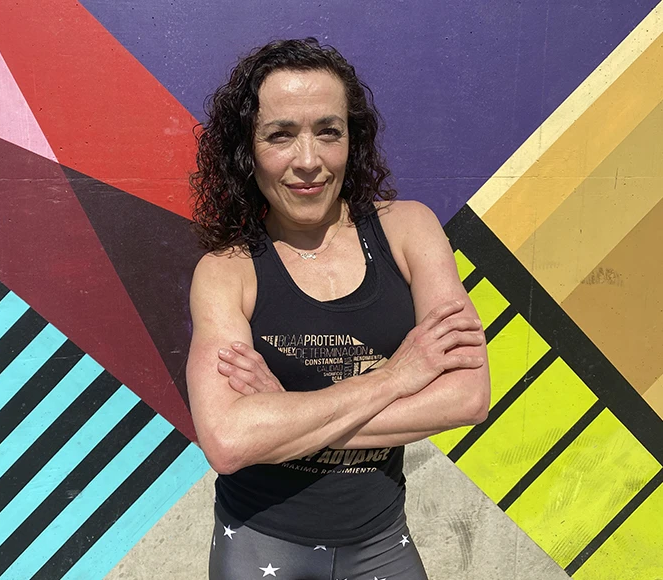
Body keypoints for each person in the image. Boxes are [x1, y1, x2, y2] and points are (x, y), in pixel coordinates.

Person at [187, 37, 490, 580]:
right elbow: (229, 442)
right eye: (281, 135)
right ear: (246, 150)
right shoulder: (227, 271)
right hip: (259, 547)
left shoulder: (408, 230)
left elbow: (467, 397)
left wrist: (286, 416)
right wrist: (397, 377)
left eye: (328, 131)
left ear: (354, 139)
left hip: (382, 544)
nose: (309, 161)